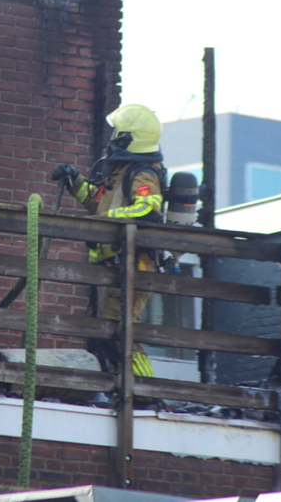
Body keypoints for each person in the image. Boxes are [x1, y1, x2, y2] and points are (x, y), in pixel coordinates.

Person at [50, 104, 166, 379]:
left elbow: (149, 209)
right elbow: (97, 203)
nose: (113, 138)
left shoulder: (143, 172)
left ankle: (144, 388)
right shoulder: (121, 171)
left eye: (118, 133)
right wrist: (74, 180)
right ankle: (118, 385)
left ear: (129, 138)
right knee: (104, 331)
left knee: (118, 330)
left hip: (131, 267)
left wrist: (110, 220)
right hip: (111, 267)